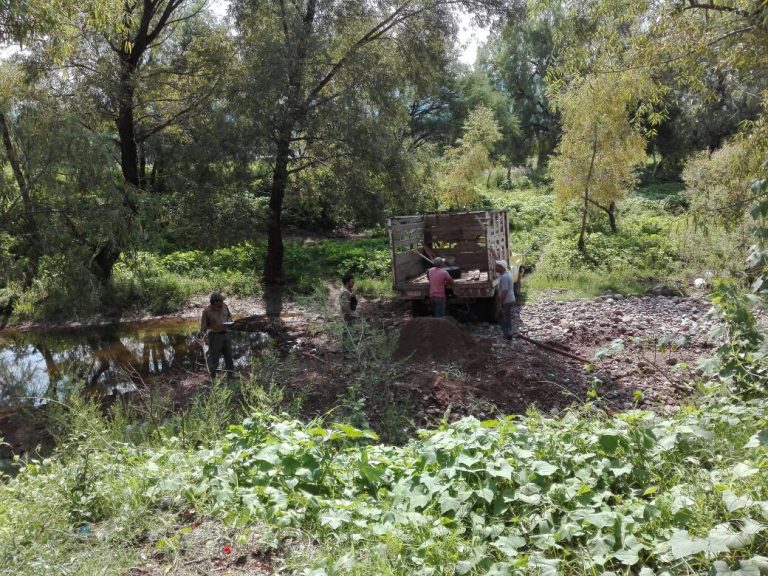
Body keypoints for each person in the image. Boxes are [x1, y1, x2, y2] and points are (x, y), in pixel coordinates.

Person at [200, 291, 234, 375]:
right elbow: (203, 327)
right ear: (215, 302)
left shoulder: (225, 306)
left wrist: (229, 322)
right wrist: (204, 340)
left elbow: (229, 317)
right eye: (221, 301)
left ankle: (231, 374)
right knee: (214, 358)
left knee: (229, 356)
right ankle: (213, 377)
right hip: (215, 337)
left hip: (226, 334)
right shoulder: (207, 312)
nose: (222, 302)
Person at [338, 274, 359, 354]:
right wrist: (352, 315)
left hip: (348, 315)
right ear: (347, 283)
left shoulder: (346, 290)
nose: (353, 283)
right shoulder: (345, 292)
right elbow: (345, 306)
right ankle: (347, 352)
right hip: (347, 317)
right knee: (348, 334)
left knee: (348, 334)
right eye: (352, 282)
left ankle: (347, 351)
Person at [495, 260, 515, 339]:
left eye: (497, 266)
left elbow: (504, 292)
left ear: (502, 267)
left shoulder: (504, 277)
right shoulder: (506, 273)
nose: (495, 267)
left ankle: (508, 333)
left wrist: (501, 303)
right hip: (509, 299)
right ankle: (508, 332)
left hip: (507, 300)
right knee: (506, 317)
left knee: (502, 317)